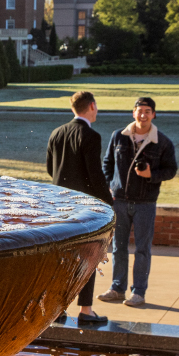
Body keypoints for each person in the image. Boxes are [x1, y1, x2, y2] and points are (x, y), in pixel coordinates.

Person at [98, 96, 177, 308]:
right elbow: (107, 164)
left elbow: (171, 170)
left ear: (154, 114)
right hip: (120, 201)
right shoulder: (118, 137)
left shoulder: (162, 141)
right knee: (118, 247)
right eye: (139, 111)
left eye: (147, 111)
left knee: (142, 249)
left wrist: (151, 175)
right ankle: (117, 288)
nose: (143, 115)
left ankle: (139, 292)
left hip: (145, 203)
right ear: (133, 113)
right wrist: (109, 186)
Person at [45, 90, 113, 325]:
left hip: (59, 204)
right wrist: (109, 202)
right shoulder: (90, 136)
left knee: (62, 257)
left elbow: (50, 169)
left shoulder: (56, 133)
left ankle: (57, 309)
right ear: (92, 106)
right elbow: (95, 176)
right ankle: (85, 310)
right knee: (89, 255)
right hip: (84, 207)